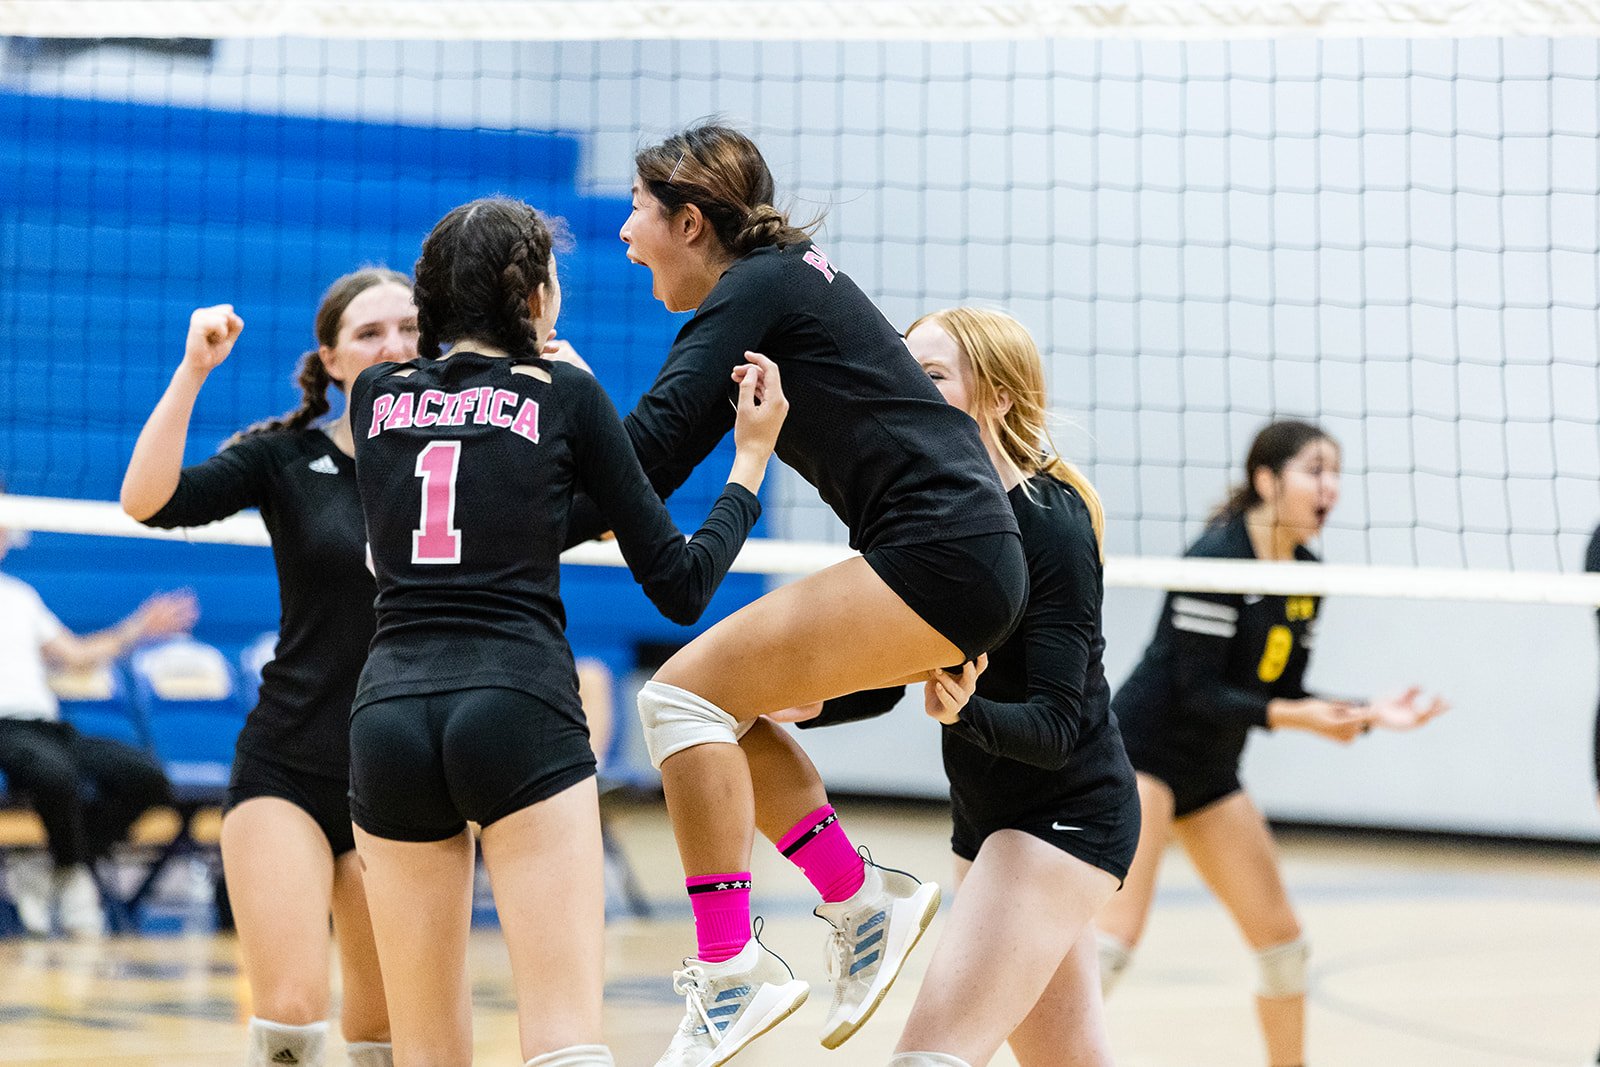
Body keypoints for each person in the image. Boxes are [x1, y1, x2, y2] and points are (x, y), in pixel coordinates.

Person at [559, 123, 1027, 1067]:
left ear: (690, 222)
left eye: (637, 209)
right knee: (715, 711)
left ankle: (736, 967)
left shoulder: (757, 285)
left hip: (940, 548)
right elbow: (648, 474)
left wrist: (548, 440)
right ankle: (860, 900)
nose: (623, 232)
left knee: (676, 699)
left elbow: (642, 453)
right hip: (958, 553)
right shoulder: (777, 283)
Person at [345, 195, 787, 1067]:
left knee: (424, 1049)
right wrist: (748, 462)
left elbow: (520, 511)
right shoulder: (567, 395)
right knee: (562, 1037)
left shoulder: (373, 397)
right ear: (535, 295)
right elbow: (680, 584)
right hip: (517, 703)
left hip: (388, 714)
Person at [755, 306, 1141, 1067]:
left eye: (932, 375)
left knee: (928, 1058)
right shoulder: (926, 516)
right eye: (907, 371)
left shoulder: (1051, 523)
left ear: (997, 397)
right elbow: (895, 674)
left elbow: (1056, 726)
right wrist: (816, 700)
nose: (910, 388)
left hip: (1067, 818)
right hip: (985, 819)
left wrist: (970, 715)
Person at [122, 268, 416, 1067]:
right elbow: (146, 499)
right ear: (332, 359)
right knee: (288, 1012)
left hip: (401, 773)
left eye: (410, 328)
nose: (394, 345)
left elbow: (592, 515)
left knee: (386, 1026)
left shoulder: (465, 462)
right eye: (369, 333)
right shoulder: (288, 457)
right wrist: (194, 370)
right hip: (287, 761)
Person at [1094, 419, 1449, 1067]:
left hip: (1211, 769)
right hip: (1144, 756)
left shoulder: (1305, 574)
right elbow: (1200, 691)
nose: (1330, 486)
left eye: (1335, 472)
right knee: (1112, 944)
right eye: (1315, 470)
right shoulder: (1217, 559)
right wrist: (1303, 718)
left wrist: (1370, 712)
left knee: (1284, 948)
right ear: (1266, 481)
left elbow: (1284, 689)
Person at [0, 523, 188, 938]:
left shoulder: (20, 597)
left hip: (47, 728)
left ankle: (56, 864)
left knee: (145, 777)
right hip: (4, 730)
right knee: (54, 775)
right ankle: (72, 878)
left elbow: (77, 654)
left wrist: (139, 627)